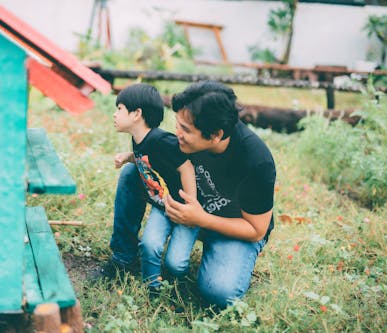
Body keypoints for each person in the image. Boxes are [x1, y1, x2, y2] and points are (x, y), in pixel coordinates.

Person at [101, 80, 276, 308]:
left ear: (215, 136)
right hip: (189, 209)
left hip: (233, 227)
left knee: (220, 292)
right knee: (132, 172)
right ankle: (124, 257)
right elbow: (153, 151)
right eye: (177, 124)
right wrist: (130, 155)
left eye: (185, 130)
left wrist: (200, 219)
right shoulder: (187, 138)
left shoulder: (255, 161)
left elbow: (256, 229)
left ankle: (216, 252)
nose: (177, 134)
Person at [109, 83, 199, 292]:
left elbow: (186, 167)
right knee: (149, 245)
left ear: (136, 114)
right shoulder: (139, 139)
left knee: (175, 263)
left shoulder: (161, 140)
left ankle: (179, 286)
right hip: (163, 206)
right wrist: (128, 157)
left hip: (184, 207)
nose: (114, 114)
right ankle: (151, 287)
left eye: (119, 108)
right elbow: (146, 158)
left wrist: (190, 204)